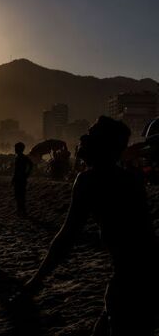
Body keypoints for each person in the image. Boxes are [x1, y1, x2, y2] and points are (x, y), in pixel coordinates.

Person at [22, 117, 159, 335]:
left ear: (104, 146)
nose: (83, 138)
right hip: (144, 273)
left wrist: (36, 280)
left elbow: (67, 235)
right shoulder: (129, 178)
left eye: (91, 134)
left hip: (132, 279)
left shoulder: (90, 180)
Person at [12, 142, 33, 215]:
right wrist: (13, 178)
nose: (15, 149)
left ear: (20, 149)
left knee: (21, 195)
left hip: (21, 178)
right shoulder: (18, 157)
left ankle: (22, 210)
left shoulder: (23, 157)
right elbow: (16, 170)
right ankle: (19, 209)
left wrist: (27, 174)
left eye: (16, 148)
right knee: (18, 195)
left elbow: (31, 165)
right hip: (19, 178)